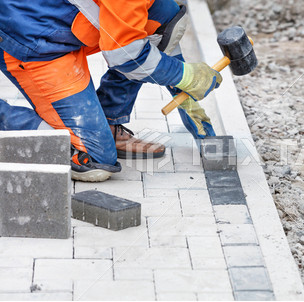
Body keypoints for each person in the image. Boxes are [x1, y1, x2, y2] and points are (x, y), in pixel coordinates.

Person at [0, 0, 222, 182]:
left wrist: (190, 104)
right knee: (95, 161)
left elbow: (161, 31)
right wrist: (188, 76)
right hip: (31, 42)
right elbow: (127, 57)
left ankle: (109, 120)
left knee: (163, 13)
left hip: (59, 21)